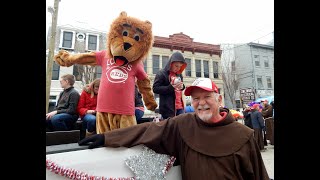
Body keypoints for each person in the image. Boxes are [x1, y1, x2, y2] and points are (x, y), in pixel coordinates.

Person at [79, 77, 270, 180]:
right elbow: (148, 130)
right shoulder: (183, 124)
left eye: (207, 97)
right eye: (195, 98)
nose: (201, 103)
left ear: (219, 99)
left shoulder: (243, 135)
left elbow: (259, 174)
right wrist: (107, 138)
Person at [153, 51, 187, 119]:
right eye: (176, 66)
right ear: (170, 64)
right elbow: (155, 89)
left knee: (182, 128)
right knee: (170, 129)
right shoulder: (161, 73)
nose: (178, 68)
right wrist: (170, 87)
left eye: (180, 66)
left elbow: (182, 87)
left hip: (180, 107)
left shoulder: (179, 74)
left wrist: (182, 86)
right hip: (167, 109)